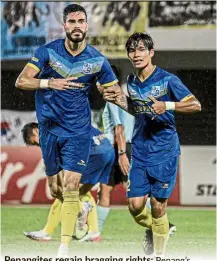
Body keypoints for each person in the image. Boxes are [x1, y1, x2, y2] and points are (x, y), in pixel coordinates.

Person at [15, 4, 118, 256]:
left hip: (79, 133)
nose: (76, 25)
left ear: (86, 25)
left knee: (71, 188)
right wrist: (49, 82)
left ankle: (63, 248)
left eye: (80, 21)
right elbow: (21, 80)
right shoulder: (47, 52)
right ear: (64, 26)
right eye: (71, 21)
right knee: (56, 190)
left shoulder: (96, 59)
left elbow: (114, 91)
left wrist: (130, 103)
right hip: (52, 130)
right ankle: (81, 209)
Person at [102, 33, 201, 257]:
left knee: (158, 207)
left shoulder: (167, 80)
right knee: (135, 206)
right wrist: (119, 100)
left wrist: (167, 105)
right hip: (141, 151)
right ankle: (158, 230)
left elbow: (195, 105)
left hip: (164, 152)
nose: (136, 54)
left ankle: (159, 254)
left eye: (141, 50)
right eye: (132, 51)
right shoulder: (133, 82)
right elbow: (138, 110)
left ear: (151, 52)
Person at [98, 65, 176, 237]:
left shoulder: (115, 96)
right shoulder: (125, 94)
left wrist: (121, 154)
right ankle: (95, 232)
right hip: (119, 148)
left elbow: (119, 128)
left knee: (134, 197)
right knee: (105, 189)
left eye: (99, 79)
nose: (96, 84)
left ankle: (161, 225)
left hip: (123, 147)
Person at [21, 122, 115, 243]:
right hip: (106, 147)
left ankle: (47, 232)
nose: (37, 145)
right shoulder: (61, 120)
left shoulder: (50, 134)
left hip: (94, 152)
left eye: (34, 142)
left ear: (35, 131)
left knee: (67, 193)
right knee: (81, 192)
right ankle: (94, 232)